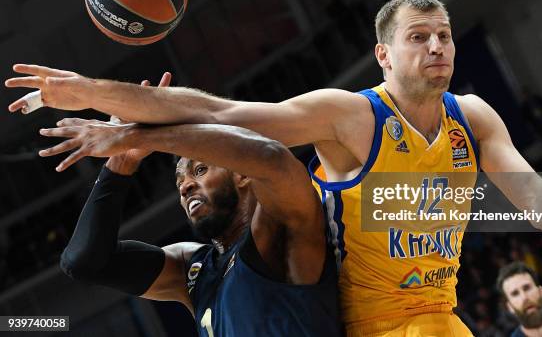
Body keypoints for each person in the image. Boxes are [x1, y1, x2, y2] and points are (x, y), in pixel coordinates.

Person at [7, 0, 542, 336]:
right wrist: (92, 91)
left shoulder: (472, 116)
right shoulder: (347, 116)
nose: (438, 47)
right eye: (419, 37)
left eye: (444, 35)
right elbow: (223, 112)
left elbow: (530, 192)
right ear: (382, 54)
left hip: (442, 316)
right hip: (367, 324)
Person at [45, 94, 341, 336]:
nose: (186, 186)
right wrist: (121, 162)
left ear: (242, 175)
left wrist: (144, 133)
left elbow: (273, 160)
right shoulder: (192, 269)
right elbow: (83, 262)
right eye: (179, 183)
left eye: (200, 170)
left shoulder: (278, 227)